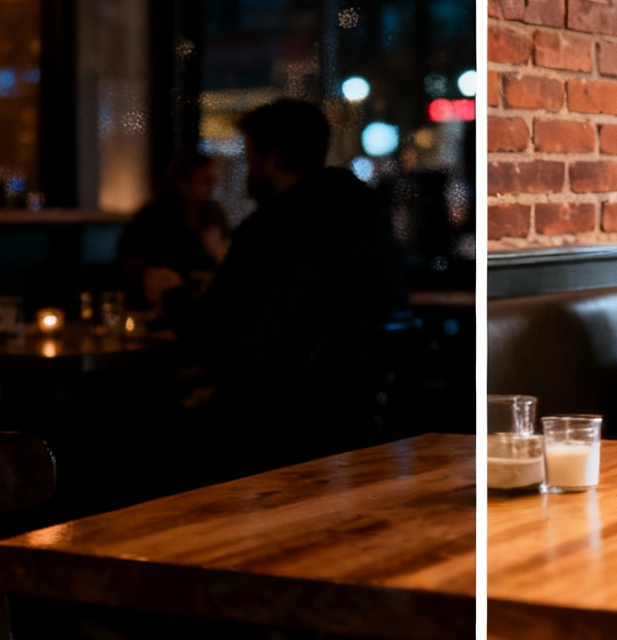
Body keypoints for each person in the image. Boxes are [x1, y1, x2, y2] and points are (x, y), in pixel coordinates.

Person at [184, 99, 409, 471]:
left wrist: (170, 294)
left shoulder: (270, 231)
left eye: (250, 158)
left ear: (270, 158)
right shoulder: (367, 221)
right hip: (366, 433)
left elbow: (209, 333)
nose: (247, 173)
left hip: (276, 432)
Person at [117, 150, 232, 292]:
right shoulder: (155, 216)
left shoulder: (213, 213)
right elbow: (132, 263)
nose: (212, 187)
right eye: (206, 181)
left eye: (214, 181)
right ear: (182, 183)